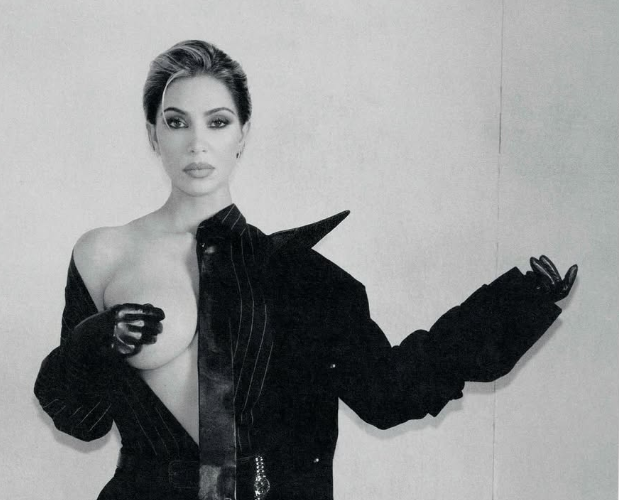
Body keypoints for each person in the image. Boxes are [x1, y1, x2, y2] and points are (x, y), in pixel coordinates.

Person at [34, 40, 577, 500]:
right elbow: (81, 421)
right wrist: (93, 342)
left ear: (243, 133)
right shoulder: (104, 253)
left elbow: (390, 393)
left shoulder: (301, 277)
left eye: (218, 122)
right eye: (176, 122)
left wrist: (516, 306)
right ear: (153, 133)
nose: (196, 143)